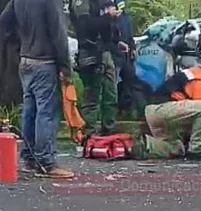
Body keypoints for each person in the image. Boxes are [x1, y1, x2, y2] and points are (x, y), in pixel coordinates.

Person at [0, 0, 74, 178]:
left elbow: (4, 20)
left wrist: (19, 39)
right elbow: (58, 33)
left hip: (25, 58)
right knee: (46, 112)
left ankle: (29, 158)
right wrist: (65, 66)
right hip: (44, 61)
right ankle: (46, 162)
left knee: (30, 110)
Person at [132, 53, 201, 159]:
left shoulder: (194, 73)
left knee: (178, 147)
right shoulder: (200, 81)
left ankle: (145, 146)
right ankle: (197, 150)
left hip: (159, 113)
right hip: (161, 110)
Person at [69, 0, 122, 136]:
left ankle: (108, 129)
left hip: (106, 51)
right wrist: (107, 16)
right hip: (89, 53)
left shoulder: (102, 2)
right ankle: (88, 133)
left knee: (111, 94)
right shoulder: (82, 3)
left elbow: (104, 28)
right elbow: (85, 27)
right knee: (92, 96)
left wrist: (115, 40)